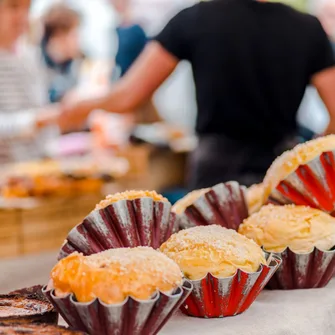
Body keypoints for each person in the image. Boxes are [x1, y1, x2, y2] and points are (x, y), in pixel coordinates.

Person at [59, 0, 335, 189]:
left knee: (211, 266)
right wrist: (307, 163)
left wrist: (79, 107)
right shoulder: (307, 27)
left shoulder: (195, 19)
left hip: (215, 177)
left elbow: (128, 95)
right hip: (281, 170)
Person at [0, 0, 59, 163]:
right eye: (13, 6)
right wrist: (35, 120)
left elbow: (41, 106)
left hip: (33, 170)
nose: (22, 17)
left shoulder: (30, 56)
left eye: (27, 8)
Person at [41, 4, 82, 103]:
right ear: (60, 35)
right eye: (74, 35)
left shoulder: (71, 65)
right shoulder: (37, 66)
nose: (78, 41)